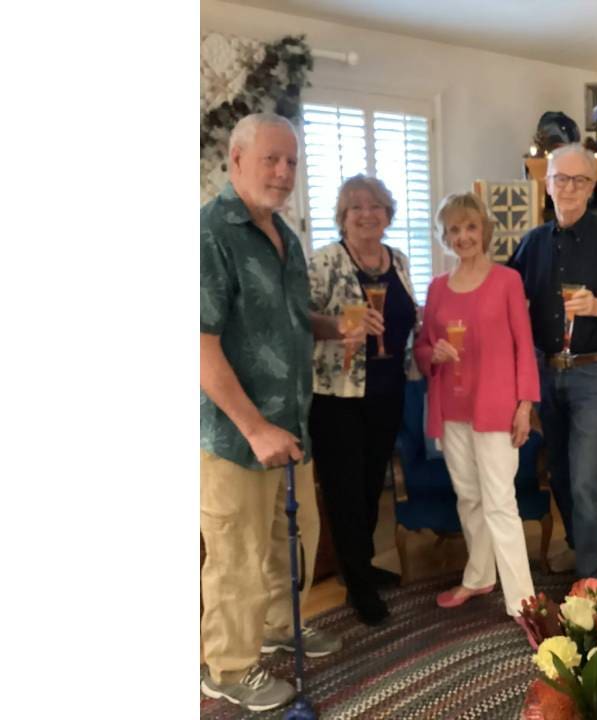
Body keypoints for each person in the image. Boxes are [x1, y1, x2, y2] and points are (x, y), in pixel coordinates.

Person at [200, 113, 342, 712]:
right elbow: (197, 341)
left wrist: (330, 328)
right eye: (271, 160)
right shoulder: (210, 233)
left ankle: (282, 624)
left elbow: (284, 318)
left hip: (292, 427)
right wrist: (254, 427)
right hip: (237, 437)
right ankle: (228, 666)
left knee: (293, 539)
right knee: (236, 554)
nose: (284, 173)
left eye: (291, 162)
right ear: (236, 160)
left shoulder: (284, 233)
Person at [508, 143, 597, 579]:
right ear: (547, 184)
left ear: (592, 186)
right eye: (561, 179)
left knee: (588, 481)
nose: (569, 187)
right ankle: (579, 547)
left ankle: (593, 578)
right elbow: (506, 298)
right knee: (559, 474)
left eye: (579, 180)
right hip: (544, 372)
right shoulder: (532, 243)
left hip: (592, 371)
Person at [414, 193, 539, 616]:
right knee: (468, 497)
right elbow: (423, 346)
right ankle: (479, 576)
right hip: (451, 408)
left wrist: (525, 405)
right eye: (454, 229)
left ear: (484, 230)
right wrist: (433, 353)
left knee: (500, 503)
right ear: (444, 236)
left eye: (470, 227)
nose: (463, 236)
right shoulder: (436, 287)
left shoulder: (507, 280)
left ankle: (523, 602)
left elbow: (524, 346)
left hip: (496, 407)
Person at [307, 175, 419, 625]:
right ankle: (357, 584)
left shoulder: (399, 260)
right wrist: (338, 327)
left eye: (375, 207)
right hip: (338, 397)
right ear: (342, 216)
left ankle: (362, 564)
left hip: (388, 390)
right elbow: (297, 316)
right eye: (356, 207)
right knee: (345, 490)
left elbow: (409, 316)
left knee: (373, 485)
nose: (367, 214)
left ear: (388, 214)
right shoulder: (325, 261)